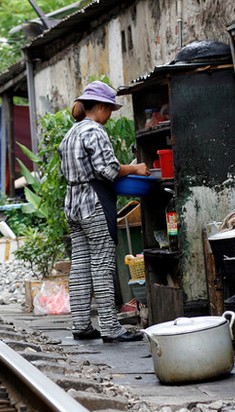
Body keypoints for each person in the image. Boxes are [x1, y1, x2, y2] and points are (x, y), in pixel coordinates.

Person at [58, 81, 150, 343]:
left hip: (73, 203)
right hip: (94, 202)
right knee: (102, 263)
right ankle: (111, 328)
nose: (109, 115)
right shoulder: (95, 132)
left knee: (81, 265)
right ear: (99, 106)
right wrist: (135, 169)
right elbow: (108, 170)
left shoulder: (71, 133)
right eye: (109, 109)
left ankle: (81, 325)